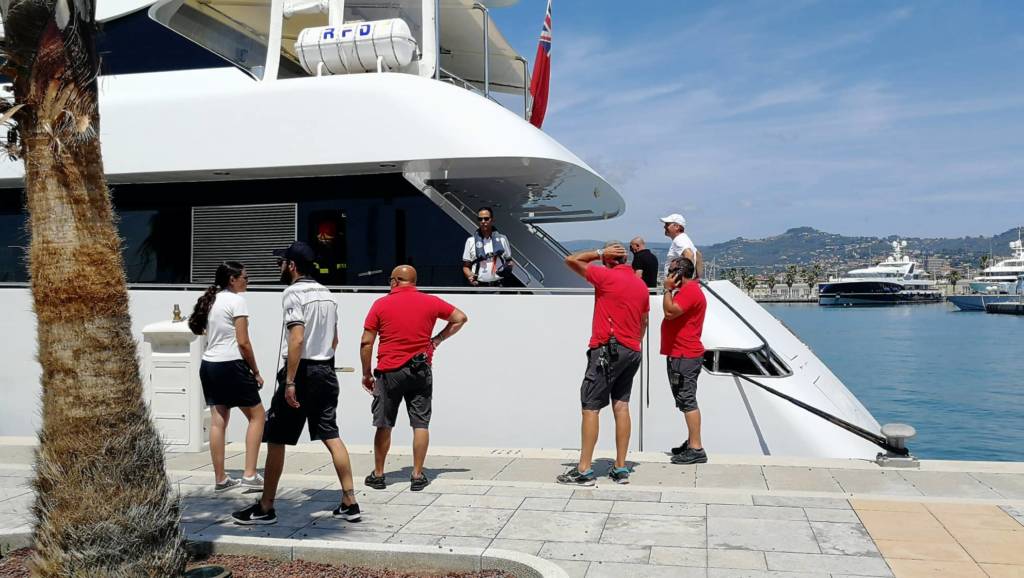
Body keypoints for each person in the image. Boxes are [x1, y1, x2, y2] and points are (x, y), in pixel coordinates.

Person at [232, 242, 361, 525]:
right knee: (331, 434)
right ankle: (350, 501)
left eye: (281, 262)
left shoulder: (293, 293)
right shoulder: (328, 294)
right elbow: (335, 340)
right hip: (326, 370)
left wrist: (290, 381)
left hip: (301, 373)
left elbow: (297, 338)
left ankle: (266, 507)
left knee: (277, 438)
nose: (279, 267)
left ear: (291, 265)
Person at [360, 265, 468, 491]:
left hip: (389, 371)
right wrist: (436, 340)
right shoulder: (430, 302)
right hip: (420, 369)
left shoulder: (380, 304)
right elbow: (460, 318)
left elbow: (366, 342)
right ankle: (417, 475)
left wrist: (366, 373)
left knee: (384, 423)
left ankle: (378, 475)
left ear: (395, 281)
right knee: (420, 423)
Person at [557, 242, 649, 486]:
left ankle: (584, 470)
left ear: (608, 259)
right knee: (622, 406)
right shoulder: (640, 285)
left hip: (607, 349)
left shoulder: (605, 276)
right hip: (632, 349)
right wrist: (633, 342)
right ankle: (620, 468)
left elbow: (571, 260)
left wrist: (598, 253)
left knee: (590, 406)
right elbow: (644, 321)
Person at [189, 261, 266, 492]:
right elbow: (243, 342)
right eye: (245, 277)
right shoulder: (237, 300)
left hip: (209, 365)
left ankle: (221, 479)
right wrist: (256, 371)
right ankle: (250, 474)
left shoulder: (212, 299)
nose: (247, 281)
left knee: (218, 420)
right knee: (258, 416)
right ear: (232, 279)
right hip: (232, 364)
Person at [661, 257, 708, 465]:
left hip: (685, 355)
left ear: (680, 273)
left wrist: (667, 290)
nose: (668, 275)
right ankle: (691, 442)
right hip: (680, 353)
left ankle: (696, 448)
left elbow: (669, 312)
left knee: (687, 400)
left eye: (671, 271)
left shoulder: (689, 291)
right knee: (684, 399)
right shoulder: (688, 290)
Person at [462, 207, 514, 287]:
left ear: (492, 220)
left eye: (486, 219)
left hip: (499, 285)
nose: (483, 221)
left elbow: (509, 261)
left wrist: (508, 268)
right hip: (478, 286)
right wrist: (470, 276)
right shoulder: (470, 241)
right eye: (480, 219)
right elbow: (466, 266)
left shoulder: (502, 239)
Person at [661, 213, 702, 278]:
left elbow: (689, 254)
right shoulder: (685, 238)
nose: (664, 227)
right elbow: (698, 255)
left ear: (677, 227)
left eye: (667, 224)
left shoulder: (678, 240)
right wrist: (697, 278)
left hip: (677, 283)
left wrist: (685, 279)